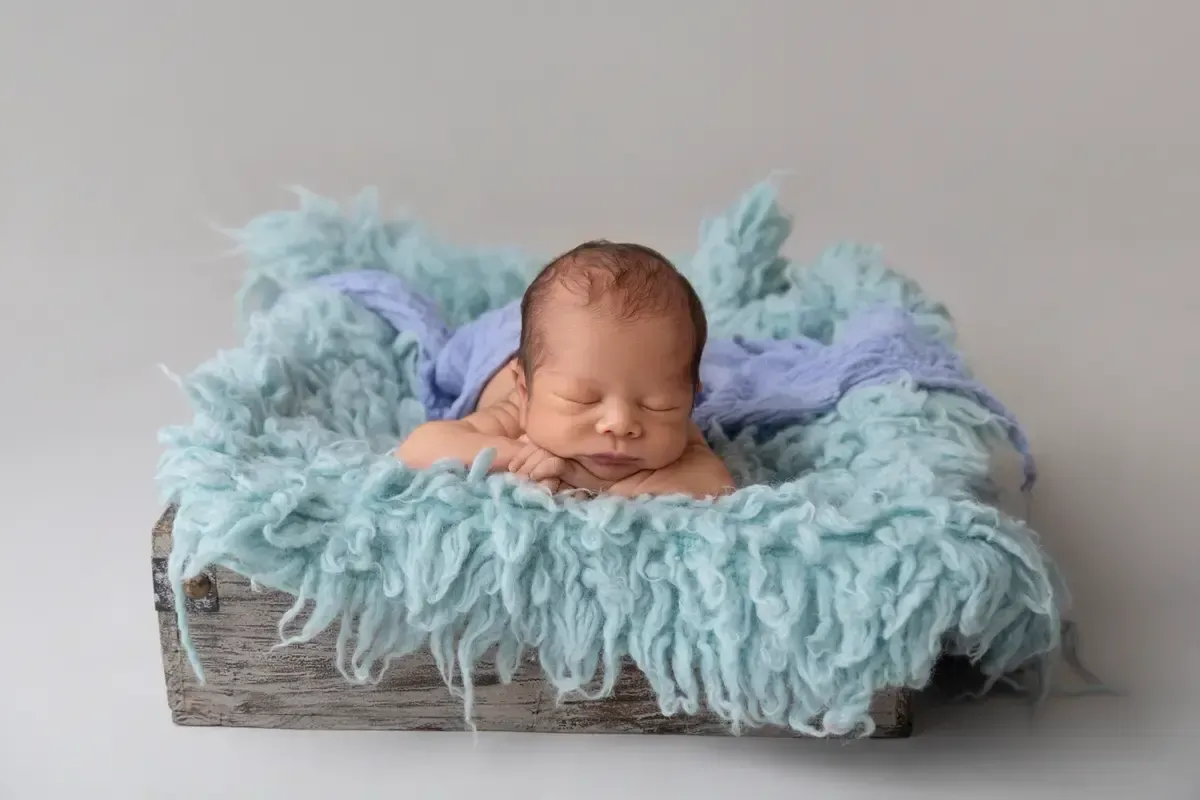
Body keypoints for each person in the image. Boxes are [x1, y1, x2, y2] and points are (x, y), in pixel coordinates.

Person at [396, 240, 735, 499]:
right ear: (526, 392)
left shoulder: (677, 432)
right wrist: (520, 456)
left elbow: (716, 485)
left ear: (691, 400)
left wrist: (607, 492)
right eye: (582, 399)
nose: (620, 423)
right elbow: (419, 447)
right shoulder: (517, 411)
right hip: (494, 350)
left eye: (656, 403)